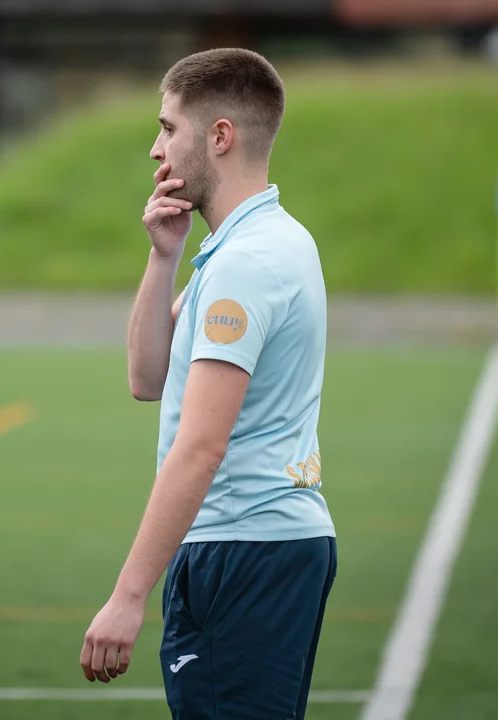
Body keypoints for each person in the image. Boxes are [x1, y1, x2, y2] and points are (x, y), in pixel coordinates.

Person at [78, 48, 337, 718]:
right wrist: (163, 256)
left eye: (169, 128)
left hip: (241, 549)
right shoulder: (260, 243)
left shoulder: (247, 263)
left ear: (220, 136)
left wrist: (128, 595)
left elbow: (200, 446)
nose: (155, 148)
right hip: (261, 546)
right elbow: (147, 377)